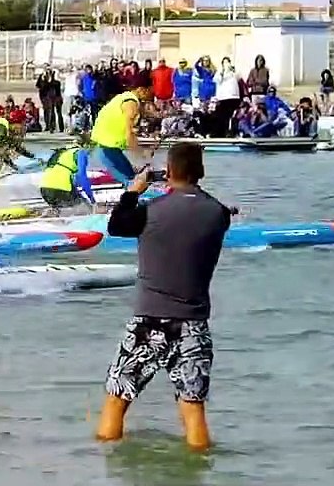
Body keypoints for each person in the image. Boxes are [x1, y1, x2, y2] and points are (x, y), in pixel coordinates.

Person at [96, 142, 232, 451]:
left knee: (117, 399)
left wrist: (133, 191)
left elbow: (116, 226)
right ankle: (199, 468)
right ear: (201, 171)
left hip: (149, 322)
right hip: (194, 324)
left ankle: (101, 467)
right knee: (193, 407)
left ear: (168, 172)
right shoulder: (218, 214)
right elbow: (211, 212)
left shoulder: (149, 211)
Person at [88, 73, 151, 186]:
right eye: (150, 90)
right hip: (106, 149)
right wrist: (143, 155)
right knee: (132, 183)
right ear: (141, 89)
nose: (151, 94)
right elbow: (129, 134)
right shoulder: (131, 103)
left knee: (132, 176)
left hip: (106, 147)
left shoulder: (123, 97)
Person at [38, 137, 96, 211]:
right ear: (86, 145)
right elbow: (82, 177)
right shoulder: (81, 153)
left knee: (62, 211)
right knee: (87, 209)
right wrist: (92, 199)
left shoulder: (63, 152)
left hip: (44, 189)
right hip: (60, 189)